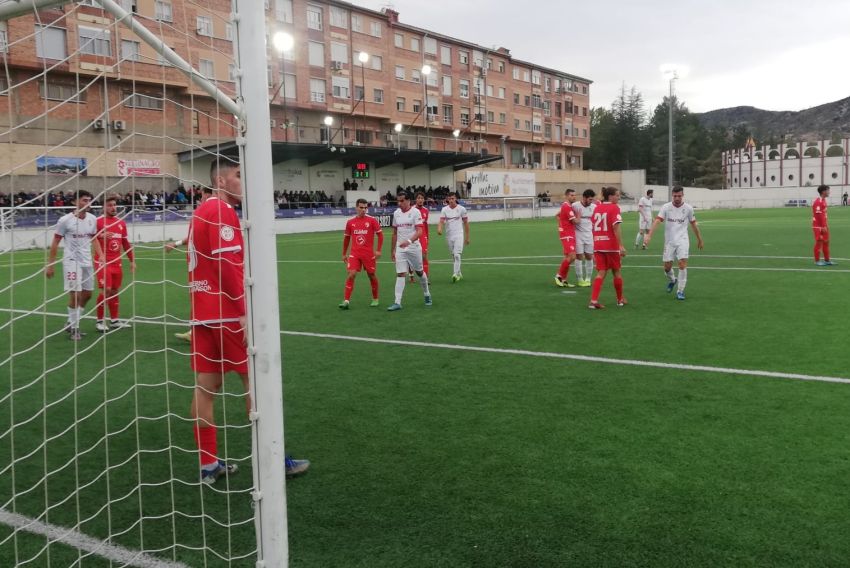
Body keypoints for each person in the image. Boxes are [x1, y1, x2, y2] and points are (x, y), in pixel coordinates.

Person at [188, 157, 308, 484]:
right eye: (239, 175)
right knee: (257, 386)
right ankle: (275, 461)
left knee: (205, 388)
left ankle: (208, 464)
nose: (245, 181)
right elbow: (228, 266)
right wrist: (243, 309)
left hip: (202, 314)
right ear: (222, 181)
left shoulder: (199, 211)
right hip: (228, 314)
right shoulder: (221, 210)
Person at [45, 190, 102, 340]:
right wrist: (50, 265)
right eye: (84, 200)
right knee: (75, 294)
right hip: (71, 261)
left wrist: (101, 255)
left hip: (87, 261)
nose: (87, 203)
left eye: (89, 200)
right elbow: (55, 242)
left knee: (88, 294)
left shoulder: (92, 218)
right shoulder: (65, 220)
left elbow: (94, 238)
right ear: (74, 202)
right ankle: (75, 329)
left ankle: (70, 322)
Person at [167, 186, 213, 342]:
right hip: (196, 264)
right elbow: (192, 237)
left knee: (203, 297)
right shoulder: (200, 213)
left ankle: (199, 333)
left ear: (208, 194)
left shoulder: (210, 213)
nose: (200, 199)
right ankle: (197, 331)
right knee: (199, 297)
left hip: (204, 265)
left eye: (202, 195)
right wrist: (176, 243)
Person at [645, 186, 704, 300]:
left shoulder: (688, 208)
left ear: (682, 196)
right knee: (667, 268)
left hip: (683, 240)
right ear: (672, 195)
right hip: (669, 241)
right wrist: (649, 235)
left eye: (679, 196)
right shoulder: (666, 207)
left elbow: (693, 225)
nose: (677, 198)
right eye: (675, 196)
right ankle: (673, 280)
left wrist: (700, 239)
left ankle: (680, 291)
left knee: (682, 264)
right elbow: (657, 221)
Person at [94, 193, 136, 332]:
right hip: (102, 262)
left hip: (117, 263)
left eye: (114, 205)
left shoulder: (121, 222)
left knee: (115, 291)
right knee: (106, 290)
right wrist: (100, 235)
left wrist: (132, 260)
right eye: (110, 205)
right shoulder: (98, 222)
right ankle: (100, 321)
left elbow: (125, 242)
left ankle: (114, 320)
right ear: (103, 207)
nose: (113, 207)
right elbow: (91, 239)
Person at [387, 191, 431, 311]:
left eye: (401, 200)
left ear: (408, 201)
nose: (399, 203)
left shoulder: (415, 212)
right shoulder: (396, 213)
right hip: (400, 248)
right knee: (400, 274)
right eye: (398, 200)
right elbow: (395, 233)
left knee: (420, 272)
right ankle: (397, 302)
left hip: (413, 247)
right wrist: (393, 250)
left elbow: (419, 231)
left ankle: (426, 293)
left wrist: (409, 241)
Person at [340, 198, 383, 309]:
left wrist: (378, 250)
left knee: (371, 275)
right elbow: (346, 239)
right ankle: (346, 301)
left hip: (368, 254)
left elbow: (380, 235)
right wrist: (344, 253)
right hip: (355, 254)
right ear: (356, 207)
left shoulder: (372, 220)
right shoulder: (350, 223)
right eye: (361, 207)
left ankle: (375, 298)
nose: (363, 210)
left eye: (365, 207)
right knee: (351, 274)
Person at [588, 187, 626, 309]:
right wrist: (620, 245)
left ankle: (593, 301)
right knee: (616, 272)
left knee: (601, 272)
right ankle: (620, 300)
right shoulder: (615, 208)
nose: (618, 198)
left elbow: (593, 227)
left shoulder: (597, 207)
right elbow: (616, 227)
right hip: (610, 246)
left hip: (598, 244)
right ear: (610, 196)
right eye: (617, 195)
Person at [437, 192, 470, 282]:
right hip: (449, 235)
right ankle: (459, 272)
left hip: (459, 234)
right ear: (447, 199)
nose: (451, 200)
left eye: (452, 198)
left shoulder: (461, 209)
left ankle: (455, 274)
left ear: (455, 199)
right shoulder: (444, 210)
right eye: (449, 199)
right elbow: (441, 221)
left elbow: (466, 223)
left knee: (457, 255)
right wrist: (439, 229)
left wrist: (467, 237)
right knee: (453, 255)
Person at [554, 189, 580, 288]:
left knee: (568, 257)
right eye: (572, 195)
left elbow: (557, 215)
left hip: (569, 234)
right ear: (566, 196)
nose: (574, 197)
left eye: (574, 195)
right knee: (572, 256)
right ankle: (559, 276)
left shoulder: (567, 206)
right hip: (567, 235)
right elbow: (575, 222)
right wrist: (579, 216)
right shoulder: (567, 207)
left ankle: (563, 279)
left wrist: (561, 225)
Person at [571, 189, 596, 287]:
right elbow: (565, 215)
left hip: (589, 234)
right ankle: (580, 279)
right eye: (589, 199)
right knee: (579, 256)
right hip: (578, 234)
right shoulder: (575, 206)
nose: (591, 201)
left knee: (589, 256)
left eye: (592, 200)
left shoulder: (594, 207)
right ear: (584, 198)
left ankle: (588, 279)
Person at [812, 185, 835, 266]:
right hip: (818, 226)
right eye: (828, 190)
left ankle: (827, 260)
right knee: (819, 242)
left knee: (826, 242)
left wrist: (826, 225)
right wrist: (823, 226)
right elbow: (819, 215)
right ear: (823, 192)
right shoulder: (818, 202)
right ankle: (817, 261)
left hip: (824, 225)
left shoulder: (824, 200)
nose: (829, 192)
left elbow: (824, 215)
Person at [410, 191, 430, 281]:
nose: (420, 200)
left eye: (422, 198)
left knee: (424, 256)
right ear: (415, 199)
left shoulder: (426, 210)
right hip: (413, 235)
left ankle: (426, 277)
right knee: (411, 256)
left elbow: (425, 225)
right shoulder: (412, 210)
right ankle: (411, 275)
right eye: (418, 198)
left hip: (423, 236)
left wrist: (427, 237)